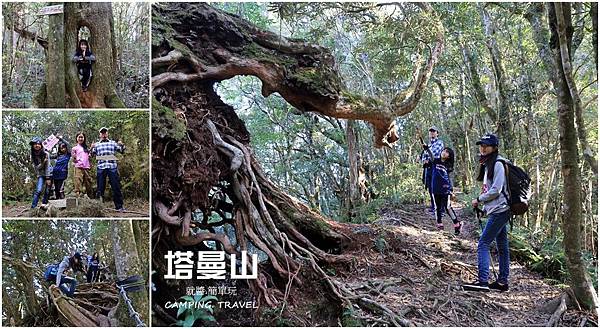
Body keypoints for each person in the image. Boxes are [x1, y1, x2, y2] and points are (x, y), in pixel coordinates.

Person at [463, 133, 511, 292]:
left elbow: (496, 190)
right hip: (498, 209)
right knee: (502, 247)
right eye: (481, 145)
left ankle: (483, 281)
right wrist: (484, 209)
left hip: (501, 210)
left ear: (494, 147)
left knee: (483, 243)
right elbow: (492, 190)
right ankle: (502, 282)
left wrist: (479, 199)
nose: (482, 148)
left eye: (486, 145)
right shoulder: (489, 164)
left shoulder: (497, 164)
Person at [425, 146, 461, 234]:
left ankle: (457, 224)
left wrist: (451, 189)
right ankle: (439, 225)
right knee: (437, 208)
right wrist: (427, 149)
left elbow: (449, 178)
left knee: (447, 207)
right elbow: (431, 155)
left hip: (445, 189)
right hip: (435, 188)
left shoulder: (448, 166)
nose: (444, 152)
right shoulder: (435, 161)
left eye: (447, 152)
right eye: (443, 150)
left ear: (449, 156)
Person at [90, 127, 126, 211]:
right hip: (101, 167)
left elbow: (122, 151)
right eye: (102, 133)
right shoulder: (96, 145)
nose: (104, 134)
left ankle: (119, 206)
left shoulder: (113, 143)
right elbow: (91, 155)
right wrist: (91, 148)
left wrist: (122, 144)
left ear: (107, 133)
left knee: (116, 186)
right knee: (100, 188)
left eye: (105, 132)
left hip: (112, 166)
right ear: (100, 135)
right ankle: (99, 207)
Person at [421, 126, 444, 212]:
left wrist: (428, 157)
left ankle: (440, 208)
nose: (432, 133)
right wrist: (424, 160)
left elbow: (436, 155)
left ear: (437, 133)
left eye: (434, 131)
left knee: (436, 187)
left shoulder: (439, 143)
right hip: (428, 169)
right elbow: (423, 156)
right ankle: (433, 206)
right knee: (430, 187)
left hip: (436, 168)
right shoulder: (428, 144)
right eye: (430, 131)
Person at [30, 137, 53, 208]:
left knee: (47, 190)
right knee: (38, 190)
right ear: (33, 146)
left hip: (49, 173)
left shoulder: (46, 154)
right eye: (35, 144)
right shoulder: (33, 155)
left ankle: (44, 204)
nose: (37, 145)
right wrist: (43, 163)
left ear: (41, 145)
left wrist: (48, 178)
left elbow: (47, 167)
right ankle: (33, 207)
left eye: (38, 144)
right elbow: (37, 167)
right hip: (40, 174)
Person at [71, 132, 94, 198]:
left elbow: (89, 156)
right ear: (76, 138)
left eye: (82, 137)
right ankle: (78, 198)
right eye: (79, 137)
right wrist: (74, 158)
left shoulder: (86, 148)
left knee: (88, 182)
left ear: (84, 138)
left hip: (86, 167)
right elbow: (73, 160)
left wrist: (91, 148)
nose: (81, 138)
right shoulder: (74, 148)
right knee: (78, 182)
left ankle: (91, 198)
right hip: (78, 167)